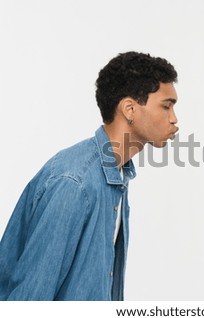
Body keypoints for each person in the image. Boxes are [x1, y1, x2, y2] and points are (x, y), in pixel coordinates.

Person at [0, 51, 179, 300]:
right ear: (129, 109)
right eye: (166, 106)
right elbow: (30, 299)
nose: (174, 119)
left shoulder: (117, 176)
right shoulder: (75, 183)